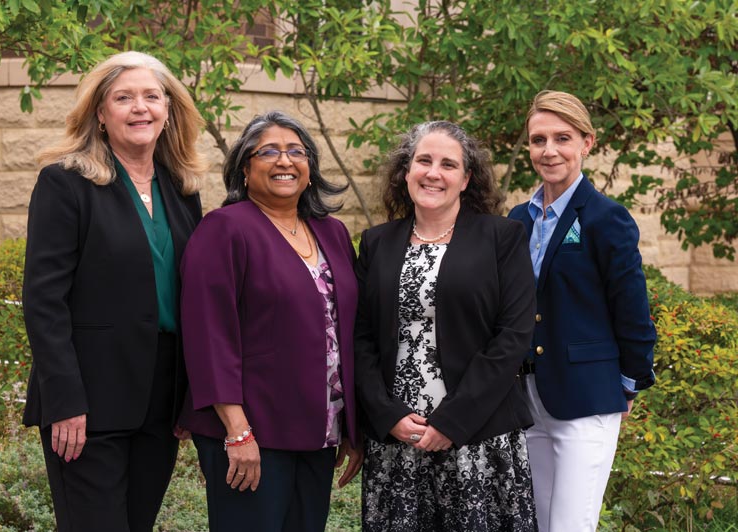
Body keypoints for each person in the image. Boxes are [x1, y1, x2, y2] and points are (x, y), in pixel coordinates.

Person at [21, 51, 206, 532]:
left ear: (169, 110)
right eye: (123, 98)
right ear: (100, 114)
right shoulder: (65, 184)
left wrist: (191, 394)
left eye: (151, 96)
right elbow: (44, 302)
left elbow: (195, 299)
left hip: (161, 400)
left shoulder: (182, 190)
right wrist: (63, 400)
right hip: (88, 400)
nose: (139, 107)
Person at [178, 110, 363, 532]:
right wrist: (238, 431)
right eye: (269, 152)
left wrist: (352, 423)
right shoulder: (224, 229)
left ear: (310, 169)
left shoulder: (331, 232)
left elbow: (348, 331)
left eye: (296, 151)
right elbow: (209, 336)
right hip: (252, 432)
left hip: (318, 431)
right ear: (245, 169)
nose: (285, 161)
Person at [355, 121, 538, 531]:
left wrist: (450, 422)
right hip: (398, 440)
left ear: (466, 178)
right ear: (406, 172)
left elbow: (511, 337)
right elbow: (360, 338)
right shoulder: (377, 243)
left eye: (448, 164)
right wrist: (388, 415)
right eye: (423, 160)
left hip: (478, 436)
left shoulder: (502, 237)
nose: (433, 173)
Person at [508, 90, 656, 532]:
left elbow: (631, 309)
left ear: (587, 143)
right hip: (527, 397)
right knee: (537, 521)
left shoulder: (605, 218)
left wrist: (628, 384)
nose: (549, 150)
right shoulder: (519, 219)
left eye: (562, 137)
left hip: (587, 395)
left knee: (571, 524)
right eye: (538, 140)